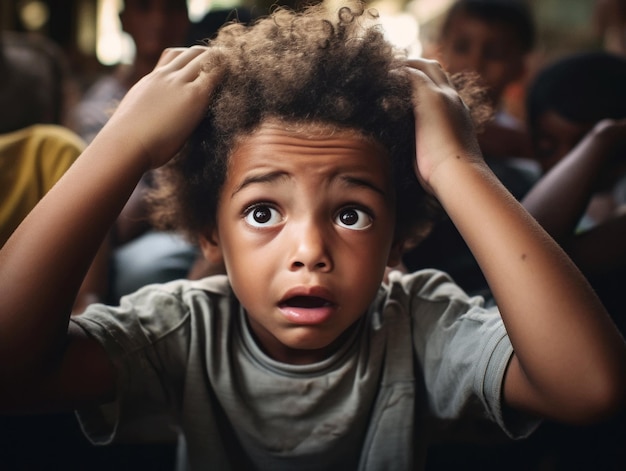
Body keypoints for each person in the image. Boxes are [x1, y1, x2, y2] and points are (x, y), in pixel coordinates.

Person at [0, 2, 624, 471]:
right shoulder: (181, 331)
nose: (310, 252)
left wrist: (458, 167)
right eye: (264, 212)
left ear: (396, 238)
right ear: (212, 234)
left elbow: (591, 388)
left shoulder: (423, 324)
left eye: (352, 214)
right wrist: (124, 141)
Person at [403, 0, 539, 295]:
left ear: (520, 67)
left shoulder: (530, 157)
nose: (475, 64)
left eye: (494, 54)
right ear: (439, 50)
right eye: (463, 47)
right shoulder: (406, 121)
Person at [71, 0, 200, 303]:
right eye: (144, 8)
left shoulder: (208, 94)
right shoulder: (96, 107)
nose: (159, 20)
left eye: (170, 9)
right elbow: (121, 217)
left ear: (184, 19)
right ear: (122, 20)